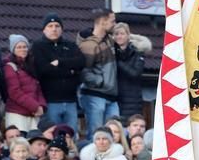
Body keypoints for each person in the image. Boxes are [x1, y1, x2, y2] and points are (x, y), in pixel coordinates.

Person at [32, 13, 85, 130]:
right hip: (50, 101)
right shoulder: (38, 46)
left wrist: (59, 62)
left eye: (57, 26)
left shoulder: (70, 45)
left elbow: (81, 62)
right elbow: (43, 70)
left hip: (71, 100)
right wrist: (69, 71)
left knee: (71, 137)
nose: (54, 29)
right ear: (44, 30)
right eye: (50, 26)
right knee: (53, 136)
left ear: (61, 29)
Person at [77, 10, 120, 140]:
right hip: (94, 96)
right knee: (95, 135)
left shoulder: (109, 41)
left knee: (115, 134)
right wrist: (100, 81)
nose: (115, 24)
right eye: (113, 21)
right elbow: (83, 71)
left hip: (111, 96)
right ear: (103, 22)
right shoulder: (89, 45)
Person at [4, 34, 46, 132]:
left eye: (25, 47)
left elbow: (38, 89)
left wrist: (42, 106)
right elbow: (15, 92)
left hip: (33, 115)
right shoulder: (10, 67)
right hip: (17, 114)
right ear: (13, 50)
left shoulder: (31, 65)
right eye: (19, 47)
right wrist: (35, 106)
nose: (23, 49)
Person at [111, 23, 150, 119]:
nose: (119, 36)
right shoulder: (110, 51)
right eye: (116, 34)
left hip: (132, 98)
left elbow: (135, 73)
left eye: (122, 33)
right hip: (114, 96)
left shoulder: (137, 52)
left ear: (128, 35)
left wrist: (118, 62)